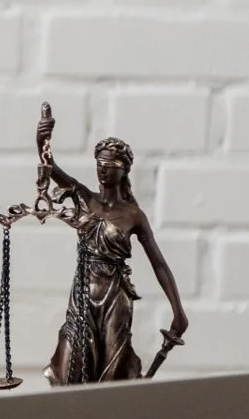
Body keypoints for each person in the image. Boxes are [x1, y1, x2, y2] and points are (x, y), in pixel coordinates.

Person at [35, 107, 189, 385]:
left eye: (111, 164)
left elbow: (159, 263)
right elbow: (51, 167)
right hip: (81, 295)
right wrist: (41, 142)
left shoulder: (133, 215)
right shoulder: (83, 197)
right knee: (69, 365)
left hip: (115, 299)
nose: (103, 169)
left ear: (125, 169)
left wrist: (178, 309)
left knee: (112, 373)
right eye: (99, 163)